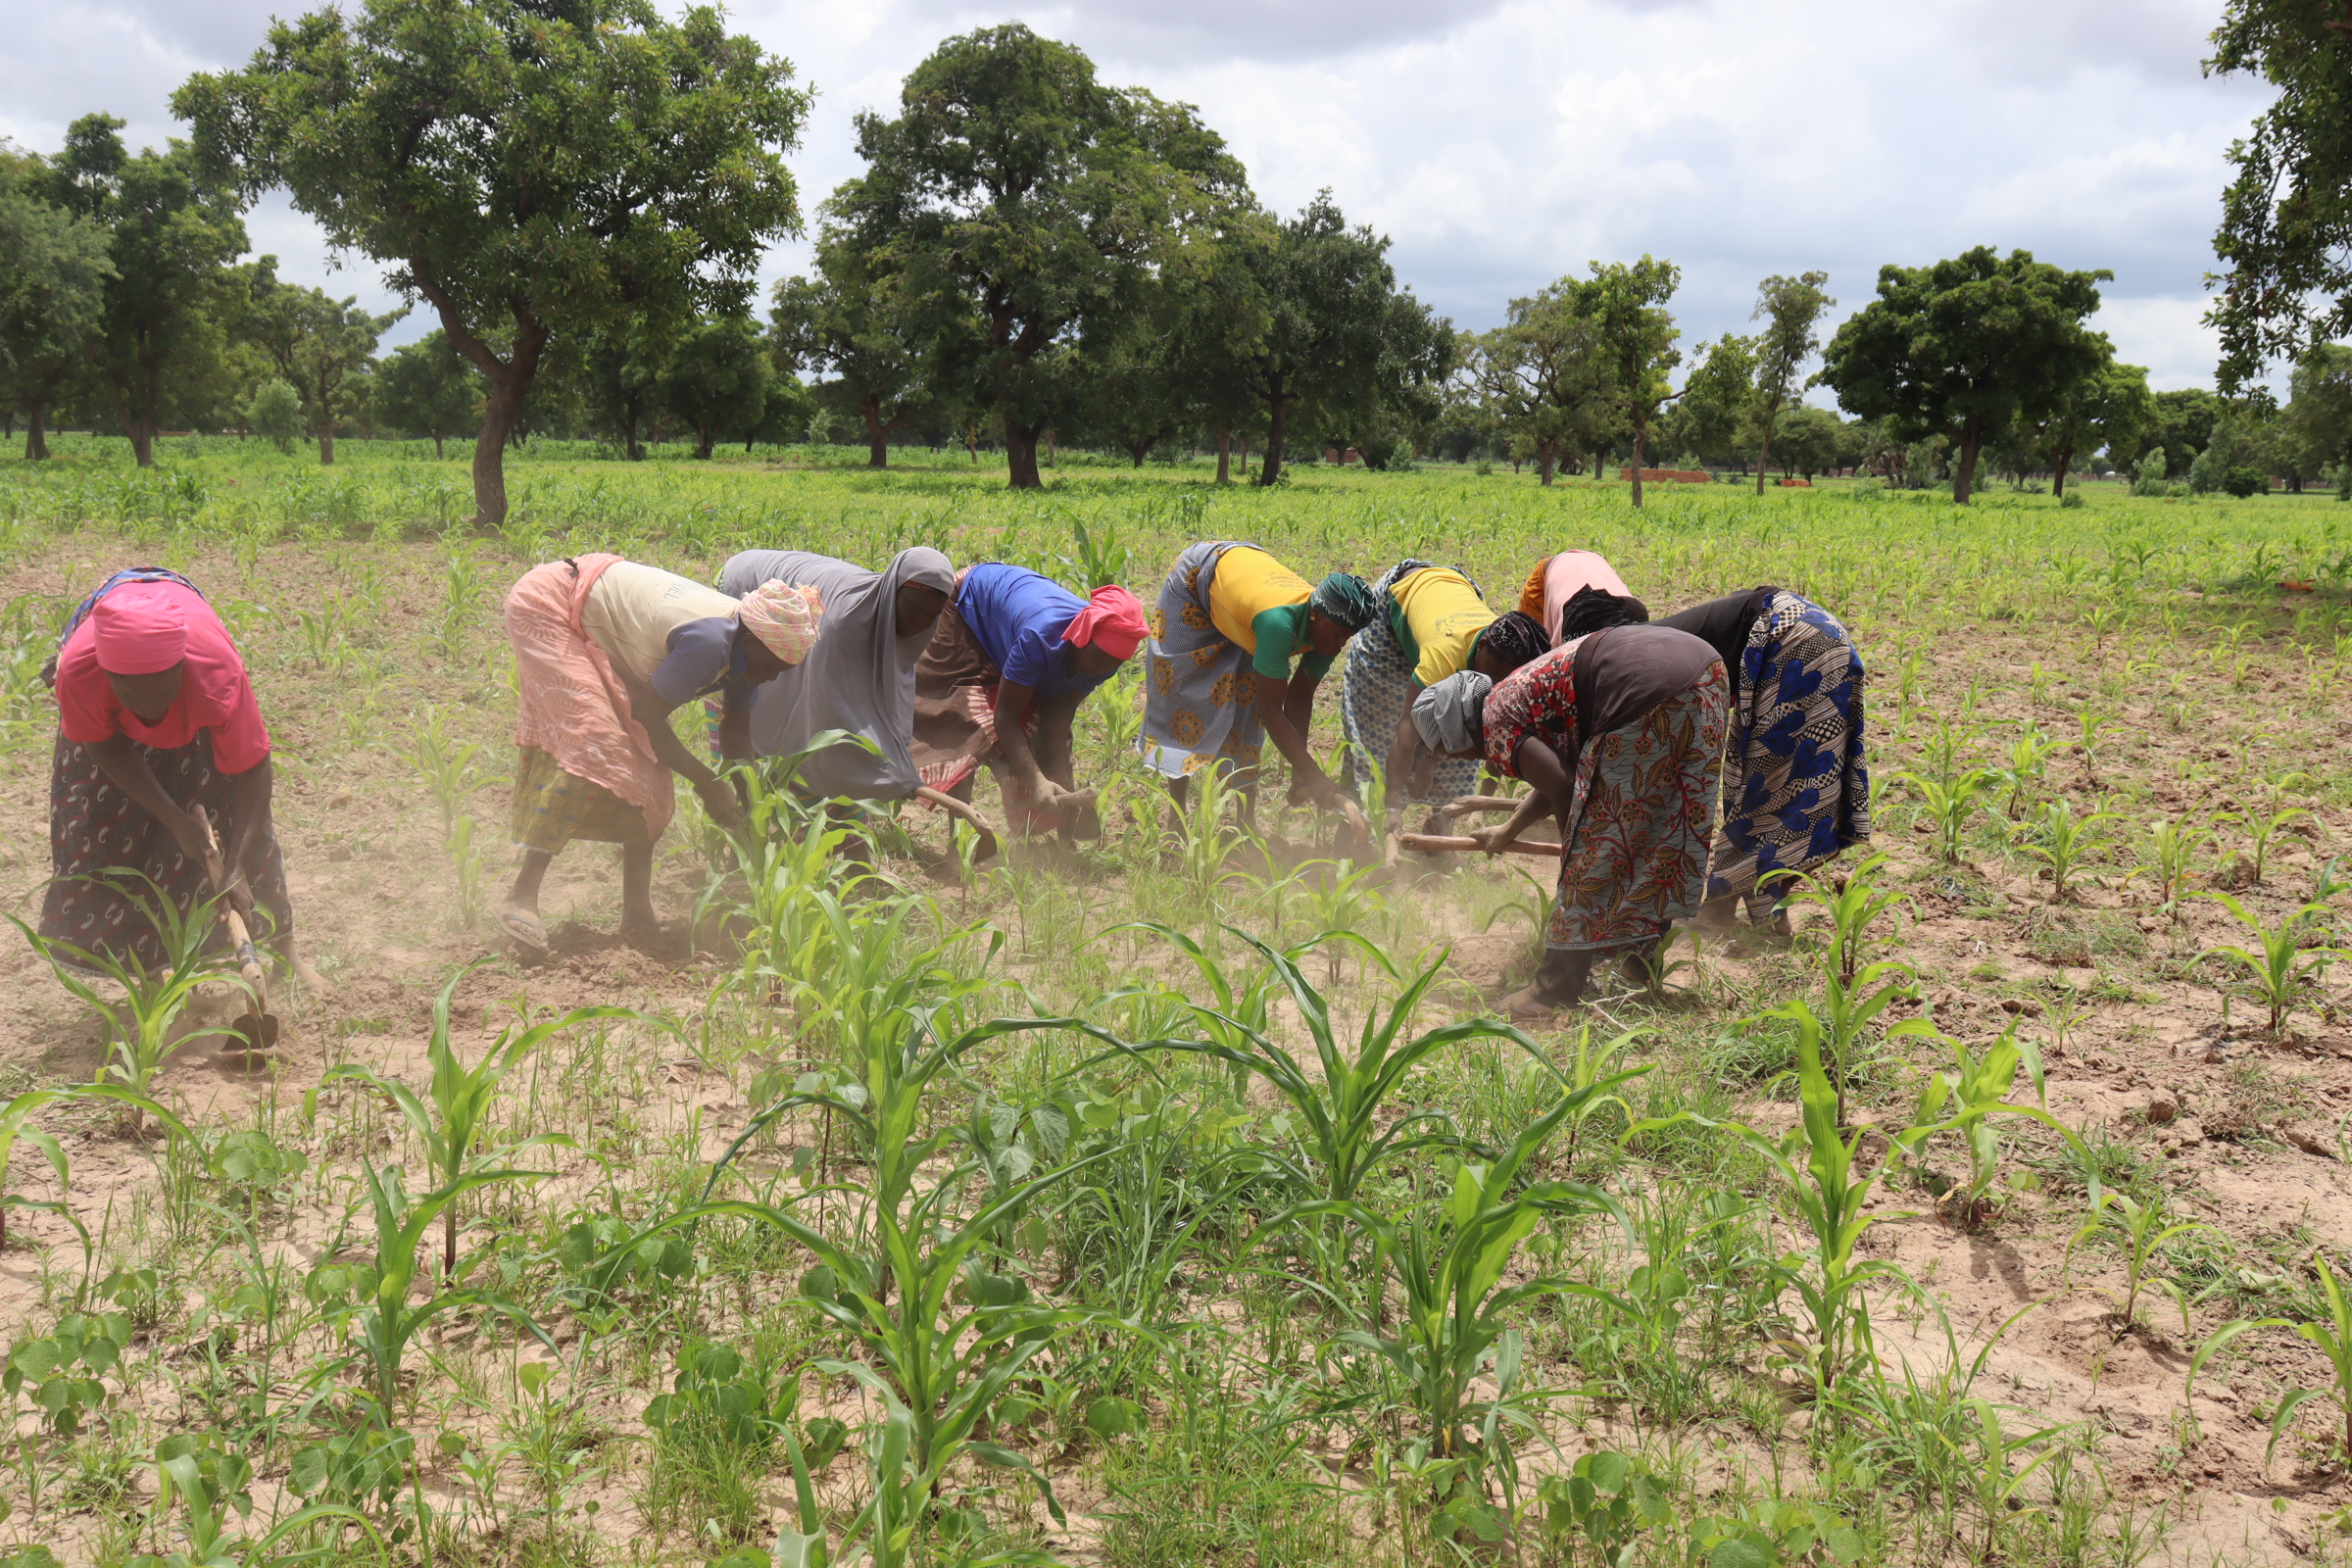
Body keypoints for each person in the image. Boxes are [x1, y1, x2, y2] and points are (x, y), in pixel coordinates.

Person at [497, 554, 822, 951]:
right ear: (753, 641)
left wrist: (752, 809)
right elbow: (647, 716)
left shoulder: (746, 649)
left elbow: (735, 729)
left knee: (650, 774)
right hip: (554, 604)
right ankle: (522, 895)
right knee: (595, 745)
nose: (771, 677)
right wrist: (707, 783)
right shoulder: (710, 643)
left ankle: (636, 911)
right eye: (773, 667)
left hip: (599, 615)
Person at [1412, 605, 1727, 1014]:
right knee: (1660, 831)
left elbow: (1563, 790)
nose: (1463, 758)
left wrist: (1574, 859)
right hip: (1703, 675)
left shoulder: (1495, 721)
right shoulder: (1513, 697)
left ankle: (1552, 991)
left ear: (1457, 733)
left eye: (1447, 750)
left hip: (1649, 689)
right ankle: (1637, 970)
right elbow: (1559, 777)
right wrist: (1508, 830)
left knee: (1599, 843)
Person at [40, 567, 319, 983]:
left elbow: (253, 769)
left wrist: (237, 866)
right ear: (108, 675)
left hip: (198, 710)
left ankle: (285, 953)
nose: (150, 710)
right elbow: (101, 743)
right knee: (111, 835)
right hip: (111, 735)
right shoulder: (81, 675)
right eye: (133, 694)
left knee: (242, 826)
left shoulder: (216, 676)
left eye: (160, 692)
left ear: (181, 669)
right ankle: (152, 978)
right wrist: (173, 818)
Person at [1658, 585, 1870, 935]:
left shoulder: (1638, 650)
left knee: (1765, 786)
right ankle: (1771, 910)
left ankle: (1722, 909)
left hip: (1788, 636)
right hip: (1827, 634)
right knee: (1802, 785)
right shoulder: (1649, 639)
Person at [1138, 542, 1378, 815]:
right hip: (1199, 578)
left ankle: (1245, 821)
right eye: (1338, 635)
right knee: (1182, 697)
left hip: (1247, 594)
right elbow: (1272, 710)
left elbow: (1299, 697)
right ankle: (1176, 815)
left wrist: (1301, 771)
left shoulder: (1329, 629)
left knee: (1247, 701)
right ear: (1314, 614)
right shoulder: (1278, 623)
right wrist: (1314, 775)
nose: (1340, 644)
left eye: (1347, 637)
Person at [910, 564, 1149, 837]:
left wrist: (1058, 777)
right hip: (970, 603)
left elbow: (1058, 716)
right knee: (969, 718)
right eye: (1099, 659)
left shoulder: (1105, 659)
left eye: (1113, 664)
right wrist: (1036, 780)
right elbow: (1006, 718)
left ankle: (1058, 838)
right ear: (1083, 638)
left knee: (1036, 723)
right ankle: (961, 840)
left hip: (1012, 627)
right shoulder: (1041, 636)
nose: (1103, 668)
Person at [711, 548, 956, 803]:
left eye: (932, 615)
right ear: (891, 591)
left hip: (803, 585)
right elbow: (827, 711)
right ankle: (732, 800)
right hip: (739, 584)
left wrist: (894, 761)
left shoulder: (907, 617)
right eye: (914, 609)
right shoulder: (844, 622)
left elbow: (882, 697)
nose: (920, 622)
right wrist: (891, 774)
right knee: (746, 691)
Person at [1338, 557, 1549, 822]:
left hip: (1456, 588)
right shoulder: (1445, 657)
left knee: (1469, 726)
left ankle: (1440, 823)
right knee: (1382, 723)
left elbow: (1488, 734)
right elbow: (1407, 730)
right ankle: (1369, 820)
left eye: (1503, 680)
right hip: (1399, 598)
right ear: (1481, 646)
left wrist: (1430, 760)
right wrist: (1392, 808)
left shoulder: (1511, 655)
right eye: (1494, 674)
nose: (1495, 684)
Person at [1518, 550, 1640, 646]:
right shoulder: (1570, 629)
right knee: (1530, 646)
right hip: (1550, 573)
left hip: (1594, 563)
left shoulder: (1634, 618)